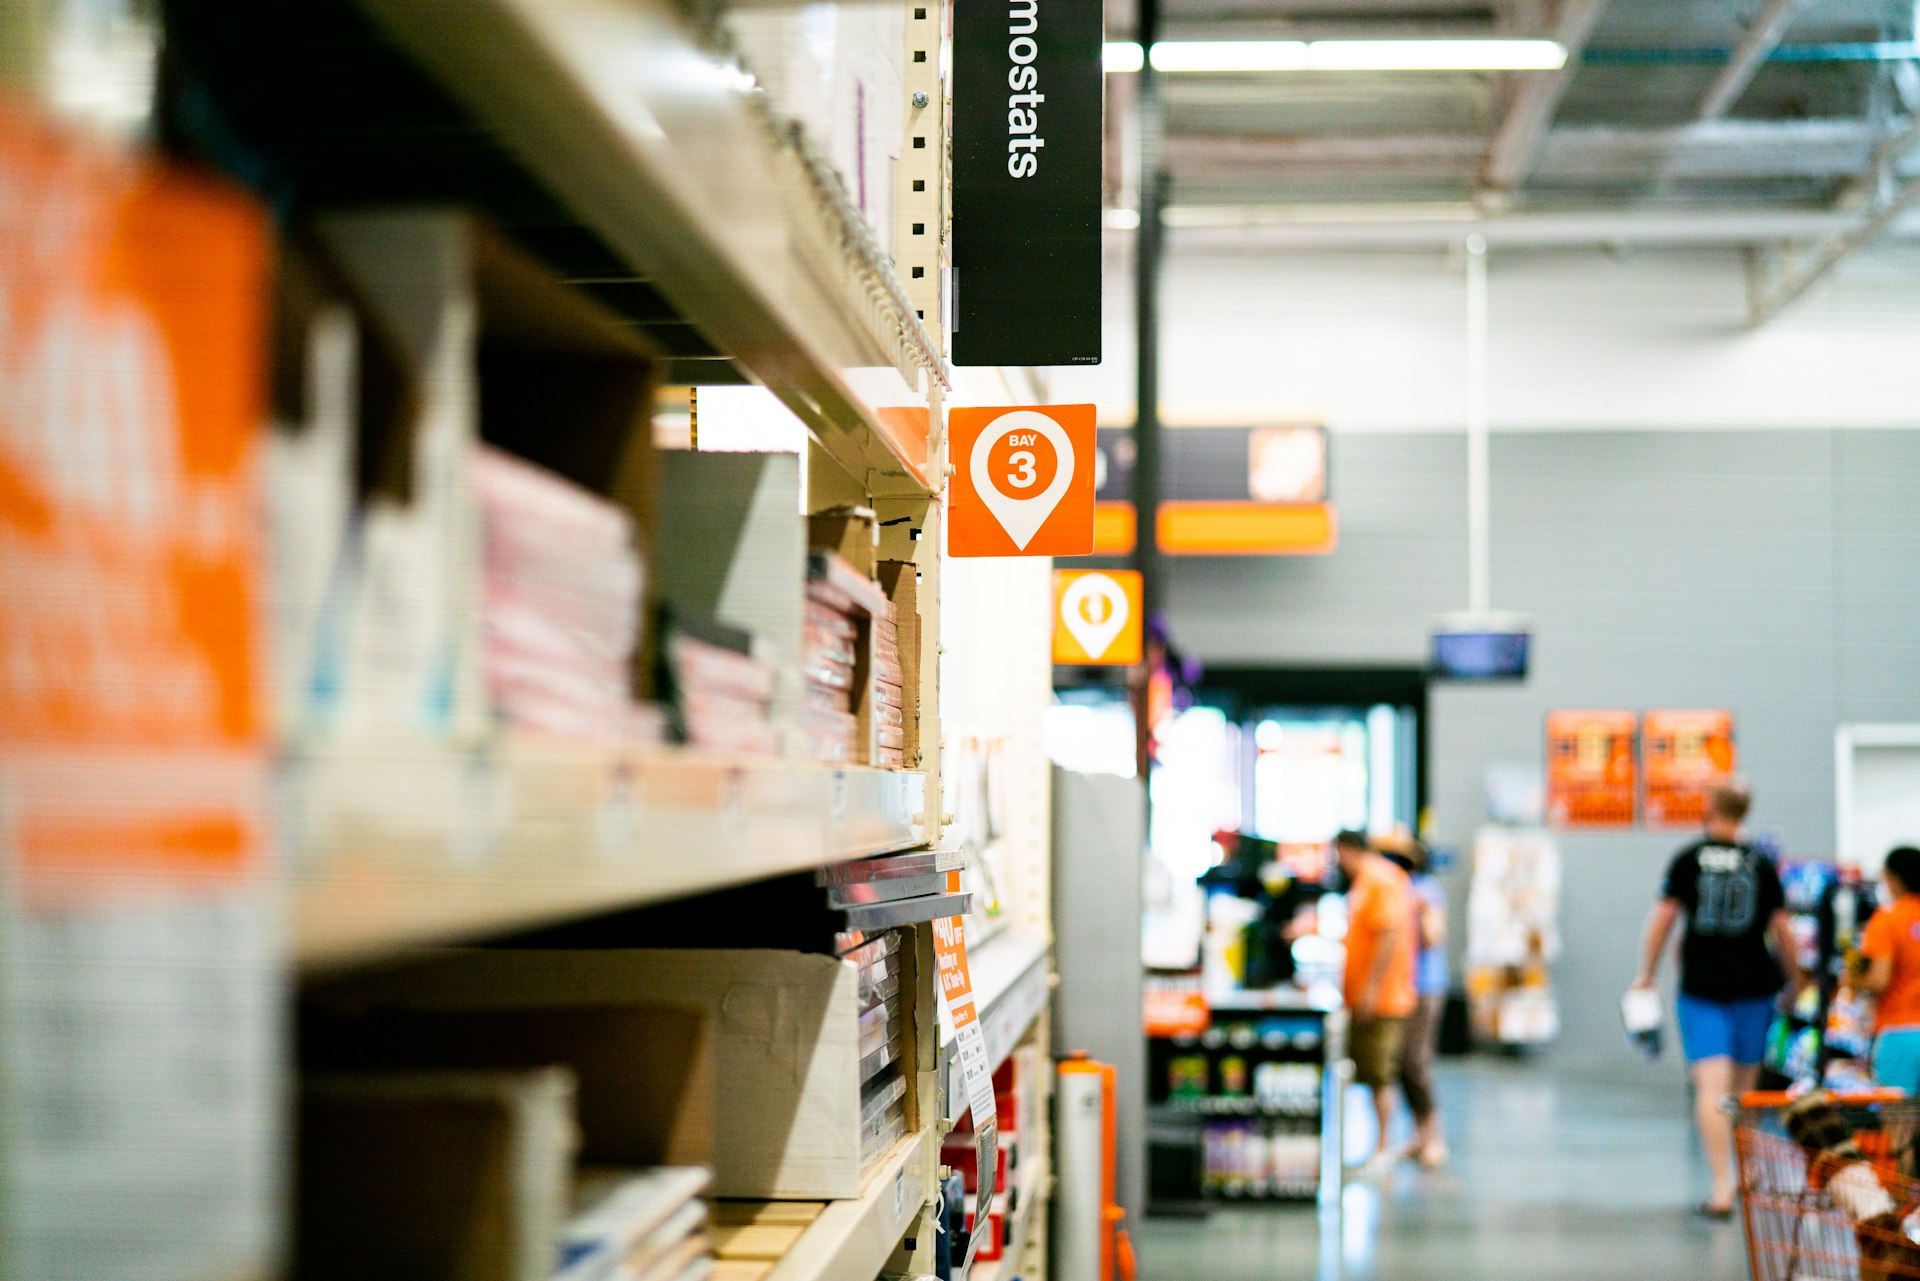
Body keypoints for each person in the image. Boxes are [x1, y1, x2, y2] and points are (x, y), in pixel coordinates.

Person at [1631, 779, 1806, 1220]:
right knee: (1744, 1090)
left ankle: (1722, 1187)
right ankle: (1747, 1177)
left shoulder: (1689, 859)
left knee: (1711, 1088)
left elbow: (1663, 919)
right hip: (1754, 987)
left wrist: (1646, 974)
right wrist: (1798, 981)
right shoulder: (1762, 863)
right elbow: (1783, 930)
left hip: (1703, 988)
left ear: (1709, 807)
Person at [1335, 829, 1418, 1175]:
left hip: (1383, 1000)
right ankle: (1379, 1146)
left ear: (1348, 850)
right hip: (1368, 997)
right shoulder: (1370, 880)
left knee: (1381, 1074)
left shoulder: (1379, 880)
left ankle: (1383, 1148)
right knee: (1371, 1074)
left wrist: (1370, 988)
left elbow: (1387, 934)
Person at [1379, 831, 1449, 1168]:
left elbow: (1434, 939)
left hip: (1424, 987)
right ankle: (1419, 1136)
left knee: (1416, 1063)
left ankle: (1434, 1137)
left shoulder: (1426, 890)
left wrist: (1419, 913)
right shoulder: (1390, 887)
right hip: (1397, 988)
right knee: (1400, 1066)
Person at [1860, 846, 1920, 1090]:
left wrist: (1851, 980)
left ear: (1894, 879)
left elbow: (1879, 980)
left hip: (1899, 1029)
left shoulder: (1887, 918)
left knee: (1898, 1121)